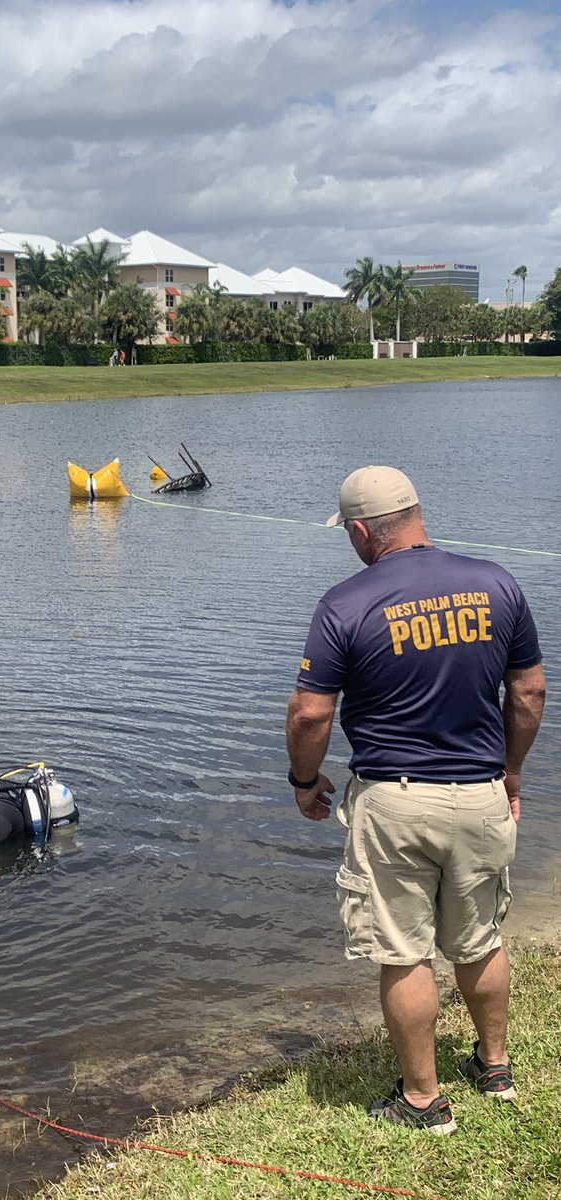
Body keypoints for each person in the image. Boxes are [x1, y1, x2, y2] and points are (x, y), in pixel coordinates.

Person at [285, 465, 545, 1135]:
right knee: (481, 938)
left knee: (403, 951)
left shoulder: (345, 604)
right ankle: (494, 1067)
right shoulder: (498, 583)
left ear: (363, 530)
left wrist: (304, 781)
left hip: (395, 802)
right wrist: (510, 773)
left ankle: (424, 1102)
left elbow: (311, 714)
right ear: (417, 514)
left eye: (349, 531)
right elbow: (529, 693)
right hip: (482, 793)